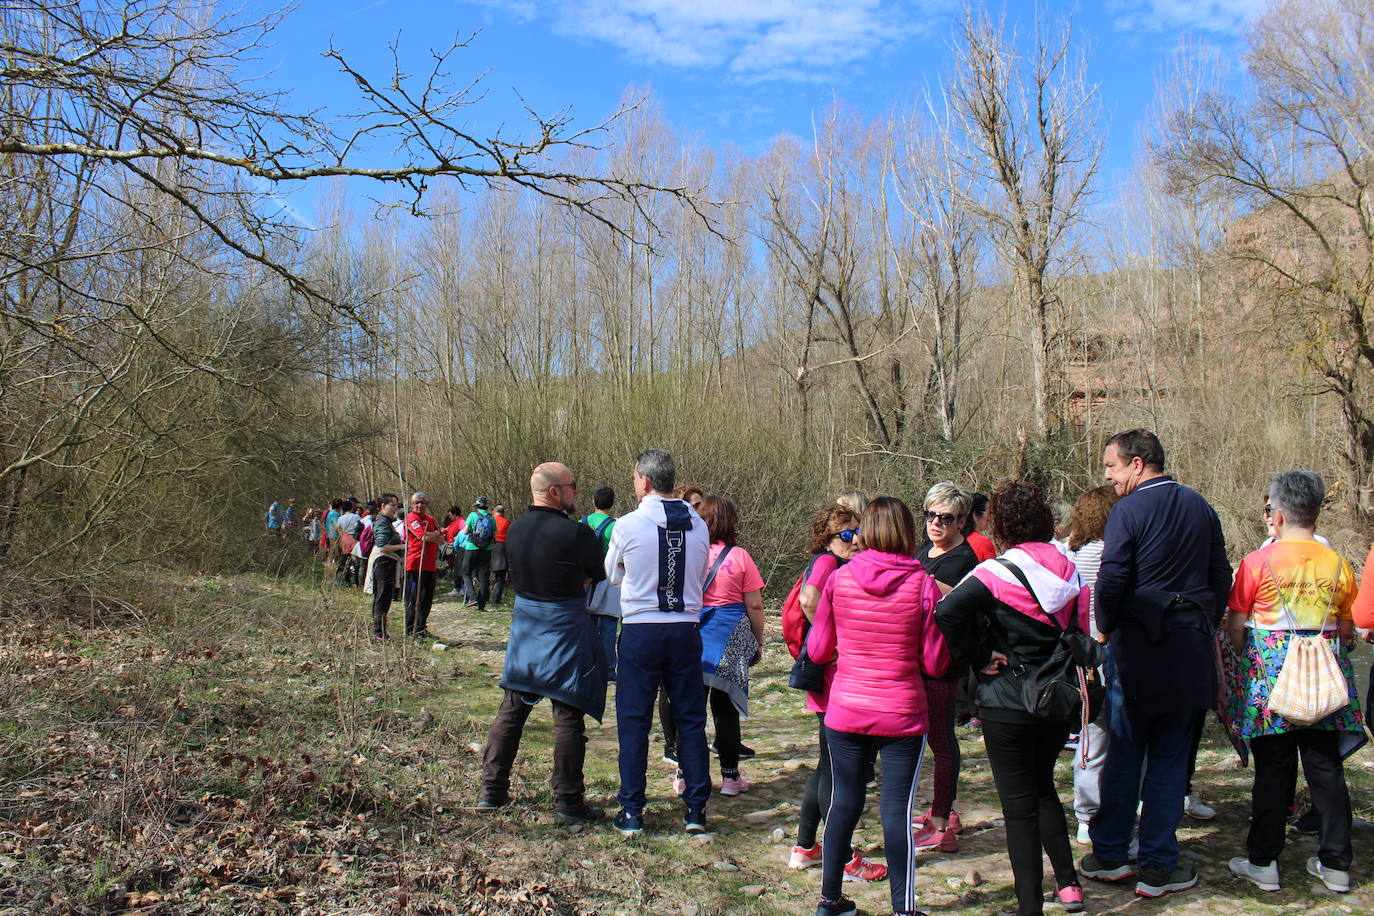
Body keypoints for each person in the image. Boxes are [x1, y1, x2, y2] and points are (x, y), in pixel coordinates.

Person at [1081, 429, 1231, 899]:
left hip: (1137, 649)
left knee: (1126, 751)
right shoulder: (1201, 506)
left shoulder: (1128, 510)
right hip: (1188, 648)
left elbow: (1112, 578)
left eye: (1111, 465)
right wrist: (1206, 619)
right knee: (1170, 757)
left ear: (1139, 464)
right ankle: (1159, 865)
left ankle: (1110, 854)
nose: (1107, 475)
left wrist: (1103, 628)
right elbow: (1220, 574)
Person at [936, 480, 1090, 915]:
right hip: (1058, 696)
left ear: (999, 525)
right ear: (1044, 521)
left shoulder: (995, 572)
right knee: (1043, 789)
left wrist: (978, 655)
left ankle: (1029, 908)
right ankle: (1068, 886)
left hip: (1006, 698)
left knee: (1019, 806)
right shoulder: (1069, 565)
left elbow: (946, 611)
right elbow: (1079, 629)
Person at [806, 496, 948, 916]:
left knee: (843, 803)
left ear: (866, 531)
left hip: (847, 707)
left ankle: (829, 901)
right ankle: (903, 908)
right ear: (907, 533)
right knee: (896, 811)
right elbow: (936, 661)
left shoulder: (841, 579)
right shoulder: (923, 583)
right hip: (902, 712)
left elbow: (818, 650)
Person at [1223, 471, 1363, 894]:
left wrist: (1245, 653)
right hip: (1323, 679)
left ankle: (1263, 861)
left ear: (1277, 515)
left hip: (1270, 682)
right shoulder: (1337, 563)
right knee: (1325, 768)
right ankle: (1337, 863)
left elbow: (1235, 622)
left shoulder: (1256, 562)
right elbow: (1345, 628)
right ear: (1316, 514)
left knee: (1271, 771)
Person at [478, 463, 607, 825]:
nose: (576, 492)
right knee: (567, 713)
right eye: (572, 486)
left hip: (526, 624)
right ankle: (568, 803)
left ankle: (492, 790)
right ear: (554, 492)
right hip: (564, 624)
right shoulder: (577, 533)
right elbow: (594, 576)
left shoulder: (514, 530)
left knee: (513, 706)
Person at [604, 448, 711, 836]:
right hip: (684, 628)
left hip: (641, 629)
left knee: (634, 721)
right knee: (691, 720)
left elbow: (611, 575)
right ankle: (696, 808)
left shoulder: (627, 525)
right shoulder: (699, 525)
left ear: (645, 481)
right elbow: (700, 573)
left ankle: (632, 810)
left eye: (634, 478)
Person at [788, 503, 888, 883]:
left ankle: (805, 846)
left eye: (856, 532)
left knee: (826, 763)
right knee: (838, 769)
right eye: (846, 534)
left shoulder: (833, 563)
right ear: (829, 538)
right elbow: (809, 601)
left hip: (829, 679)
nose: (854, 540)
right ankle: (843, 856)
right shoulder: (828, 563)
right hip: (832, 679)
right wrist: (838, 643)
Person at [911, 482, 979, 854]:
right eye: (930, 515)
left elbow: (944, 600)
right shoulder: (924, 549)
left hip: (941, 658)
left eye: (946, 518)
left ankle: (941, 818)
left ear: (962, 521)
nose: (936, 523)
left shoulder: (963, 559)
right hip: (916, 655)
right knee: (922, 738)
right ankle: (942, 810)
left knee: (940, 737)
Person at [686, 495, 765, 797]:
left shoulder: (690, 553)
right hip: (729, 636)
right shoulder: (740, 556)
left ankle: (685, 774)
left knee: (691, 709)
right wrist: (756, 642)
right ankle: (730, 778)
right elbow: (755, 605)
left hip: (693, 636)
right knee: (725, 709)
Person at [1066, 485, 1119, 845]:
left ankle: (1086, 812)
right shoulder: (1110, 555)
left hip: (1079, 653)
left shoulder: (1068, 555)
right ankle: (1109, 809)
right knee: (1117, 735)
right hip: (1108, 649)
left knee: (1092, 737)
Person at [583, 488, 621, 680]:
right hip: (608, 580)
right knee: (608, 627)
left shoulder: (582, 523)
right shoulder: (615, 526)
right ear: (612, 503)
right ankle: (607, 669)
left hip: (586, 580)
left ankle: (587, 665)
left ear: (593, 501)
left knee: (587, 625)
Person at [403, 492, 445, 639]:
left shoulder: (430, 519)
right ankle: (410, 630)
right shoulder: (410, 518)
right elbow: (423, 537)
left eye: (422, 503)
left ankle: (421, 628)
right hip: (415, 564)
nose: (419, 505)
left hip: (429, 565)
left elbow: (441, 540)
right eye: (417, 503)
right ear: (412, 504)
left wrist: (431, 536)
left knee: (427, 599)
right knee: (413, 599)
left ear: (427, 504)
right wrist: (432, 535)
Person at [364, 494, 405, 639]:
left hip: (388, 562)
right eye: (392, 505)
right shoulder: (382, 522)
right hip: (383, 563)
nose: (395, 508)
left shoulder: (387, 521)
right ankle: (379, 633)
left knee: (385, 597)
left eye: (396, 505)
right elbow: (382, 546)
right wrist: (403, 546)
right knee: (382, 597)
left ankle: (380, 631)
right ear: (382, 506)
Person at [462, 496, 496, 611]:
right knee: (483, 576)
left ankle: (472, 597)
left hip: (472, 547)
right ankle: (482, 605)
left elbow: (466, 531)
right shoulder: (491, 518)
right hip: (486, 549)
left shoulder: (472, 515)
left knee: (466, 572)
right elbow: (494, 536)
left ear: (477, 506)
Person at [965, 493, 997, 562]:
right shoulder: (983, 543)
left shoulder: (956, 539)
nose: (991, 517)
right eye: (989, 513)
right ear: (975, 515)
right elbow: (991, 571)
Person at [491, 504, 511, 604]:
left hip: (489, 547)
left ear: (494, 511)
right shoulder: (506, 522)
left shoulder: (490, 520)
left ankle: (483, 597)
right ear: (503, 513)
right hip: (501, 548)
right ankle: (496, 598)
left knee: (484, 574)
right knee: (500, 576)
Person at [443, 507, 465, 597]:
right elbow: (446, 529)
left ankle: (459, 588)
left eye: (450, 514)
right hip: (452, 547)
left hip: (458, 548)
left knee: (458, 568)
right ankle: (459, 588)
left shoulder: (461, 522)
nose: (449, 516)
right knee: (454, 567)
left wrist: (456, 538)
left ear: (455, 514)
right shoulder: (454, 523)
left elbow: (464, 531)